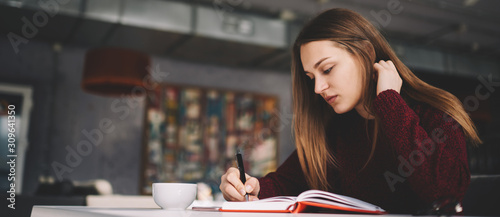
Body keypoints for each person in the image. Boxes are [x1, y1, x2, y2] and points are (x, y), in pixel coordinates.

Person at [219, 8, 481, 214]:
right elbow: (284, 184)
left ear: (366, 53)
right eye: (311, 77)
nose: (318, 88)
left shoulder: (434, 114)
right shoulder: (335, 131)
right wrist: (250, 189)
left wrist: (390, 102)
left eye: (328, 69)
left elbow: (445, 194)